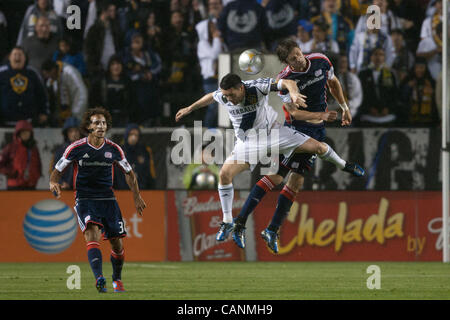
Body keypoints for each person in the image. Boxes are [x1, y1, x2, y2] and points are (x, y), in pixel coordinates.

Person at [175, 72, 364, 251]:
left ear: (241, 88)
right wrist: (189, 108)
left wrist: (294, 92)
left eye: (232, 94)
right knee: (224, 174)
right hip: (248, 143)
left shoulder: (256, 87)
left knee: (320, 148)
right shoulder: (223, 96)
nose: (229, 99)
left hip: (275, 134)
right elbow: (210, 96)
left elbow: (286, 83)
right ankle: (227, 222)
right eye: (226, 95)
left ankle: (344, 165)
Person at [231, 39, 363, 253]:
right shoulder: (284, 79)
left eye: (299, 54)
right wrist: (321, 114)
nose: (299, 60)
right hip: (298, 130)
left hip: (317, 129)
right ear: (286, 62)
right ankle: (345, 165)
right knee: (284, 175)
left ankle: (262, 227)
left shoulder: (320, 60)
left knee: (291, 180)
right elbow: (294, 113)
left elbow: (334, 83)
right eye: (293, 59)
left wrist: (344, 107)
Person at [49, 107, 147, 293]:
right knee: (91, 234)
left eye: (103, 123)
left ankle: (117, 279)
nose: (100, 126)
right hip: (85, 198)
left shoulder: (114, 149)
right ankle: (99, 278)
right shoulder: (76, 148)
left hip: (108, 200)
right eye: (96, 123)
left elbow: (129, 174)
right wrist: (53, 181)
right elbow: (58, 168)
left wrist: (136, 196)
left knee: (117, 244)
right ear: (88, 126)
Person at [0, 47, 50, 127]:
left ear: (25, 58)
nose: (17, 57)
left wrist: (44, 112)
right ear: (9, 57)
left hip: (29, 122)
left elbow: (42, 95)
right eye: (15, 54)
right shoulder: (1, 73)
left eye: (20, 55)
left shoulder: (33, 73)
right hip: (5, 122)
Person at [195, 0, 224, 128]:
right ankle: (208, 132)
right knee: (213, 106)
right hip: (210, 79)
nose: (214, 29)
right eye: (212, 27)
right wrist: (217, 38)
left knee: (222, 107)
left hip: (221, 77)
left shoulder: (219, 40)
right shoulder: (202, 44)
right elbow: (214, 55)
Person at [357, 47, 399, 126]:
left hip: (387, 114)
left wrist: (388, 109)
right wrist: (369, 108)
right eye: (375, 54)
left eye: (381, 55)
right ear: (371, 57)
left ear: (384, 58)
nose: (378, 57)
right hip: (368, 114)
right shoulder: (363, 74)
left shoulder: (390, 74)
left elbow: (394, 94)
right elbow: (361, 95)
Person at [41, 59, 88, 125]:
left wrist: (75, 116)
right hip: (63, 117)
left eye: (48, 74)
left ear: (53, 70)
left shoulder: (70, 72)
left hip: (76, 115)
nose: (48, 77)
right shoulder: (53, 81)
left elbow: (81, 94)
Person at [0, 120, 42, 190]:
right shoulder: (11, 147)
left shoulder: (34, 148)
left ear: (31, 133)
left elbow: (38, 164)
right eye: (23, 132)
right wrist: (11, 172)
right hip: (15, 185)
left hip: (31, 184)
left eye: (27, 132)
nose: (25, 134)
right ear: (18, 134)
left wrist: (37, 175)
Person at [114, 123, 157, 190]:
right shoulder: (119, 151)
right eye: (131, 134)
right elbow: (114, 174)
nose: (133, 137)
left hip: (141, 191)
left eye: (136, 135)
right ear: (127, 135)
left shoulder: (144, 151)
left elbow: (150, 173)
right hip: (122, 192)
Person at [50, 117, 82, 190]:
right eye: (71, 131)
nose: (74, 134)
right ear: (66, 134)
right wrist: (61, 182)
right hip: (66, 190)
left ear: (80, 132)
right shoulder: (60, 151)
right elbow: (54, 170)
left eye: (76, 131)